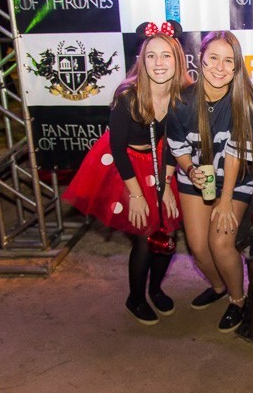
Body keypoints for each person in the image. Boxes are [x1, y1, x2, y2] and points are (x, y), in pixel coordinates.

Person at [62, 21, 192, 325]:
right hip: (127, 165)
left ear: (178, 60)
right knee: (145, 236)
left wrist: (167, 185)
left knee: (168, 231)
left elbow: (173, 143)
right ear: (142, 61)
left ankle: (156, 289)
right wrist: (136, 195)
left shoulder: (182, 96)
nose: (159, 63)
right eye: (151, 56)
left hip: (162, 163)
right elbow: (118, 150)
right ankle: (135, 298)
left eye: (166, 56)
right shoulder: (128, 96)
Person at [167, 31, 253, 333]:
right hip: (195, 177)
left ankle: (238, 299)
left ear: (237, 66)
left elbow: (236, 155)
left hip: (235, 179)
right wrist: (189, 170)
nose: (220, 68)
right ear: (201, 59)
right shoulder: (181, 100)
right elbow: (177, 146)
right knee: (197, 247)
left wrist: (225, 200)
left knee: (219, 243)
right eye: (214, 58)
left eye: (228, 61)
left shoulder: (245, 102)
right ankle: (220, 286)